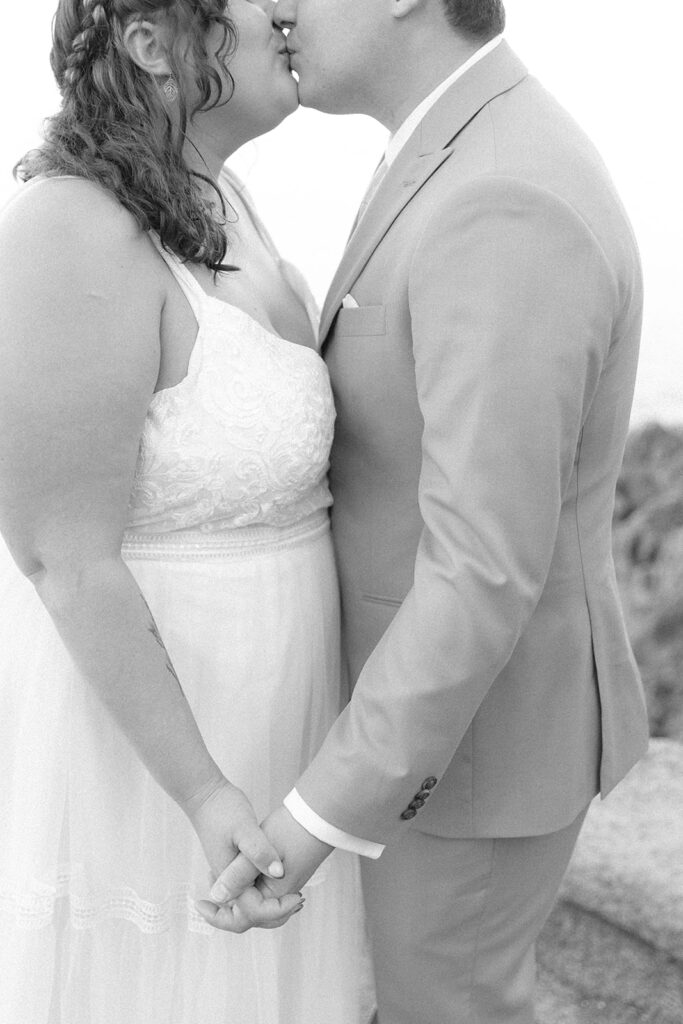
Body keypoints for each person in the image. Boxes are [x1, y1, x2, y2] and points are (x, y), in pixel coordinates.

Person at [211, 1, 650, 1022]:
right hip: (441, 741)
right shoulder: (459, 146)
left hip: (470, 759)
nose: (278, 7)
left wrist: (318, 813)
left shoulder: (499, 192)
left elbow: (480, 571)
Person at [0, 1, 373, 1021]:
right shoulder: (72, 226)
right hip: (158, 769)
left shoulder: (225, 194)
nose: (286, 16)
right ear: (153, 45)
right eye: (258, 2)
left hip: (280, 728)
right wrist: (206, 792)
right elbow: (59, 555)